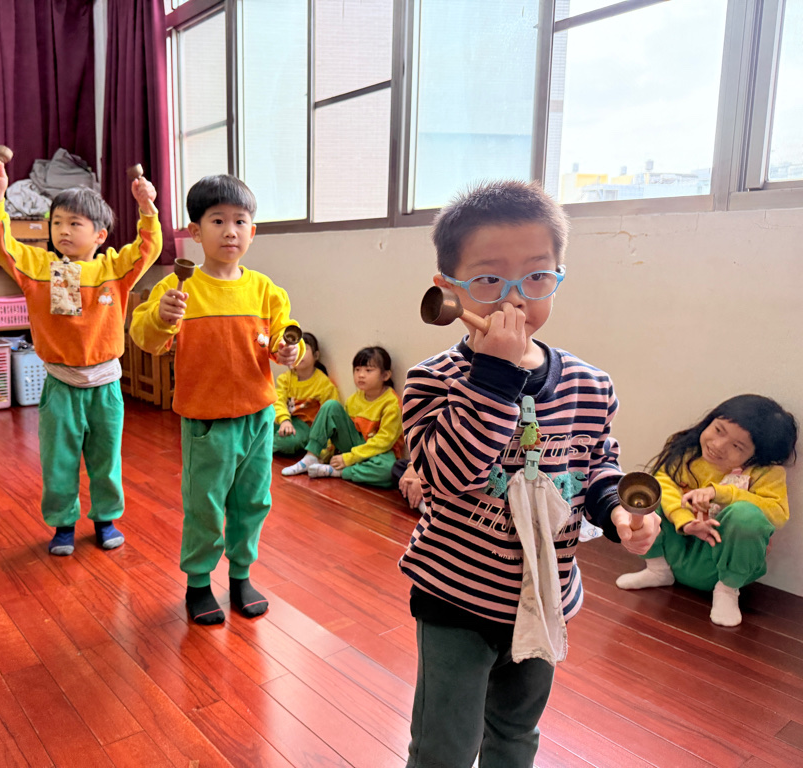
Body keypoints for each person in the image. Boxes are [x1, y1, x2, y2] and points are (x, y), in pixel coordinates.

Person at [398, 180, 659, 768]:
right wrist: (493, 377)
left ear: (558, 277)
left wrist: (616, 511)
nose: (514, 300)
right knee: (444, 746)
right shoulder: (433, 380)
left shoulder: (590, 384)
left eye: (537, 277)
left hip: (546, 597)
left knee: (516, 733)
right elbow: (447, 475)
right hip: (455, 598)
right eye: (489, 280)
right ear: (448, 288)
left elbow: (597, 465)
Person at [129, 174, 301, 625]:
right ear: (194, 231)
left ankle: (241, 575)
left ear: (252, 232)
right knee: (204, 505)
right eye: (218, 220)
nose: (230, 231)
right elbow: (145, 338)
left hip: (258, 417)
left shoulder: (265, 290)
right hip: (206, 420)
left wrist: (289, 349)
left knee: (253, 501)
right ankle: (199, 583)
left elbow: (283, 336)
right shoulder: (178, 288)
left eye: (240, 221)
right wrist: (162, 317)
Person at [0, 159, 161, 557]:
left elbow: (148, 248)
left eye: (74, 223)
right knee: (58, 460)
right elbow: (0, 246)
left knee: (105, 459)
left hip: (106, 387)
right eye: (57, 222)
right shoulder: (38, 268)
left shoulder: (114, 269)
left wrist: (147, 208)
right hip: (60, 384)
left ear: (100, 235)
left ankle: (105, 519)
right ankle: (63, 524)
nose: (63, 230)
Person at [617, 394, 797, 627]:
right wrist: (685, 521)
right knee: (649, 490)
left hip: (718, 566)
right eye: (718, 430)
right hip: (674, 552)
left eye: (737, 446)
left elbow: (778, 514)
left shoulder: (765, 473)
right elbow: (665, 482)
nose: (718, 445)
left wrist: (721, 493)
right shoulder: (687, 453)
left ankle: (727, 592)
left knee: (747, 516)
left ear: (756, 455)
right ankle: (657, 570)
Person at [281, 346, 403, 489]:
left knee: (388, 470)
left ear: (385, 375)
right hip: (355, 446)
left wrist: (348, 459)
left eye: (368, 370)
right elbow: (339, 432)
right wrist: (325, 456)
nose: (361, 375)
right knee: (330, 406)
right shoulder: (353, 400)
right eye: (357, 370)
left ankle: (339, 472)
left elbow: (384, 442)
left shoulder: (392, 403)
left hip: (378, 453)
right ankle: (311, 457)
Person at [273, 331, 340, 455]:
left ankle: (260, 447)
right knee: (259, 421)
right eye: (295, 349)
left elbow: (331, 418)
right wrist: (284, 420)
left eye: (304, 348)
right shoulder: (285, 378)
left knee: (288, 442)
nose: (299, 353)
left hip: (306, 427)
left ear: (316, 355)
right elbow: (278, 401)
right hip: (284, 420)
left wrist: (325, 450)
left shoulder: (324, 384)